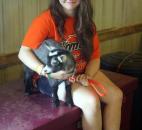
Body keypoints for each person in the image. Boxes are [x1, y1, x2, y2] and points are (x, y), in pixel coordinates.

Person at [18, 0, 123, 130]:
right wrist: (46, 71)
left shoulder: (87, 22)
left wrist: (87, 75)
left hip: (81, 72)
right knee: (91, 101)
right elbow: (23, 53)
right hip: (51, 77)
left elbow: (95, 58)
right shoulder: (45, 20)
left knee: (116, 95)